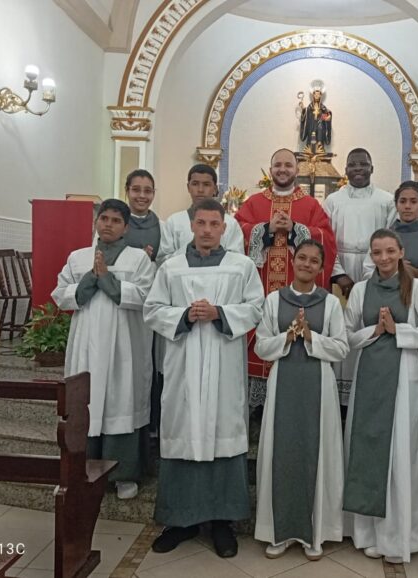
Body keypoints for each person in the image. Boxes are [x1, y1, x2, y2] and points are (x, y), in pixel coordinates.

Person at [143, 199, 263, 558]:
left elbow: (256, 307)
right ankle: (181, 520)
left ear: (224, 228)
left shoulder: (241, 267)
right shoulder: (171, 267)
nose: (208, 229)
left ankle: (223, 522)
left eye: (214, 223)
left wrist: (220, 313)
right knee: (183, 431)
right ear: (191, 226)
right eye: (201, 223)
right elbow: (152, 309)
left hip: (225, 367)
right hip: (183, 365)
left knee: (222, 433)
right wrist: (184, 315)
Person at [343, 229, 418, 564]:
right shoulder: (360, 289)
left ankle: (399, 536)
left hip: (403, 379)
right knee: (368, 450)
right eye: (376, 252)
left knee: (401, 454)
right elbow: (345, 336)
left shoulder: (416, 288)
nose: (383, 258)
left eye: (389, 251)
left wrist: (397, 330)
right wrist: (374, 331)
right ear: (369, 256)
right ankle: (370, 532)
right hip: (369, 377)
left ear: (401, 252)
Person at [52, 199, 155, 501]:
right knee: (87, 400)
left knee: (120, 401)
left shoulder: (138, 259)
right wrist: (90, 278)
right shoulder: (78, 257)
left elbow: (147, 296)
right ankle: (82, 468)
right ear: (96, 222)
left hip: (123, 346)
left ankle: (123, 475)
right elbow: (61, 294)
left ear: (125, 226)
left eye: (115, 220)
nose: (108, 224)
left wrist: (108, 279)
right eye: (104, 218)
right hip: (86, 343)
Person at [254, 240, 349, 561]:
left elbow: (341, 348)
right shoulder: (273, 300)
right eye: (303, 258)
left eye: (314, 261)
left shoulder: (331, 304)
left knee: (316, 453)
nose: (307, 264)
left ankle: (316, 534)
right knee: (283, 452)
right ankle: (278, 533)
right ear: (294, 261)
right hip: (283, 386)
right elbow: (261, 347)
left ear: (322, 268)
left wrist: (311, 337)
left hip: (319, 387)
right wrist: (288, 336)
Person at [235, 148, 336, 380]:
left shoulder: (310, 205)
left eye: (288, 165)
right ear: (270, 170)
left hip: (296, 287)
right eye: (278, 165)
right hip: (260, 287)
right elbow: (235, 232)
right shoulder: (254, 202)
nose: (282, 169)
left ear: (296, 170)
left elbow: (326, 239)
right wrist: (264, 229)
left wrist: (296, 229)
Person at [324, 148, 396, 399]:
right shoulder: (334, 200)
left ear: (371, 168)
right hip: (340, 265)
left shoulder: (386, 200)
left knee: (368, 322)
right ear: (345, 170)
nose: (357, 169)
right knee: (342, 325)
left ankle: (364, 388)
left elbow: (390, 238)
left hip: (376, 267)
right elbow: (326, 240)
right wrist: (338, 274)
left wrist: (372, 275)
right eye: (352, 165)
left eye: (363, 164)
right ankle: (340, 396)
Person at [363, 180, 418, 289]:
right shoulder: (382, 236)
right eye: (402, 201)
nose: (407, 206)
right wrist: (390, 271)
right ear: (396, 206)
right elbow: (367, 271)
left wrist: (417, 273)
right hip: (385, 295)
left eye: (413, 201)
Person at [157, 164, 244, 263]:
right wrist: (191, 247)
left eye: (206, 184)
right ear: (188, 187)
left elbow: (239, 262)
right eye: (195, 184)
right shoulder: (174, 222)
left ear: (215, 189)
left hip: (220, 277)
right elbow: (162, 262)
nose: (200, 190)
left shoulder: (230, 223)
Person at [123, 169, 162, 261]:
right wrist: (138, 258)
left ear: (153, 193)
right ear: (127, 191)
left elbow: (164, 261)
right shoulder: (114, 222)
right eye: (136, 190)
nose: (142, 195)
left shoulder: (162, 227)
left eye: (148, 191)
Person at [299, 80, 332, 150]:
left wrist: (328, 117)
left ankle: (319, 143)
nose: (317, 95)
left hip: (320, 127)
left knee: (320, 123)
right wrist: (303, 109)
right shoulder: (310, 107)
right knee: (312, 133)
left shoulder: (323, 107)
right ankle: (311, 147)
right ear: (313, 95)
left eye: (318, 94)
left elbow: (326, 115)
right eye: (315, 94)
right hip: (311, 126)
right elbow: (306, 115)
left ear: (320, 95)